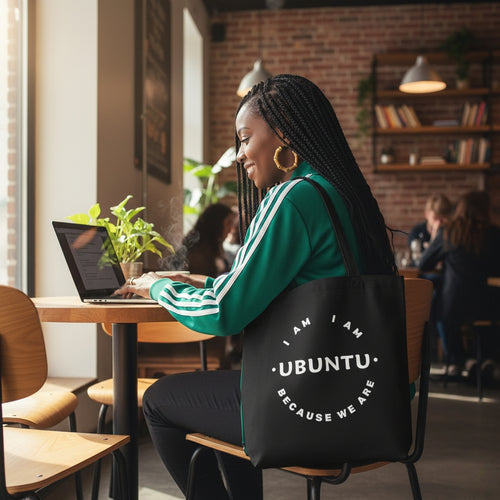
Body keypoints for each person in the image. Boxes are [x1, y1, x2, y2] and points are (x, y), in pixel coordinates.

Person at [117, 74, 397, 500]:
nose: (239, 155)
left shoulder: (294, 197)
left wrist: (157, 286)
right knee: (219, 399)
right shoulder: (343, 194)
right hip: (369, 402)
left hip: (309, 404)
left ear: (283, 131)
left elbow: (223, 314)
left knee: (158, 401)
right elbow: (280, 286)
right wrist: (200, 281)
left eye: (246, 138)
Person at [419, 191, 500, 376]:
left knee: (439, 295)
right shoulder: (494, 234)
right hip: (488, 304)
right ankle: (484, 358)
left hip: (454, 304)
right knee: (485, 318)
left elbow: (424, 263)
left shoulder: (449, 232)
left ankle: (458, 360)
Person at [182, 203, 236, 277]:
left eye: (231, 223)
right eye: (228, 223)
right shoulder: (198, 254)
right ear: (217, 223)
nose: (231, 229)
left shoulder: (216, 246)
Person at [408, 194, 452, 265]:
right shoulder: (416, 232)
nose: (438, 223)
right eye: (435, 218)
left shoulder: (453, 234)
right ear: (426, 215)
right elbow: (417, 260)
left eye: (442, 219)